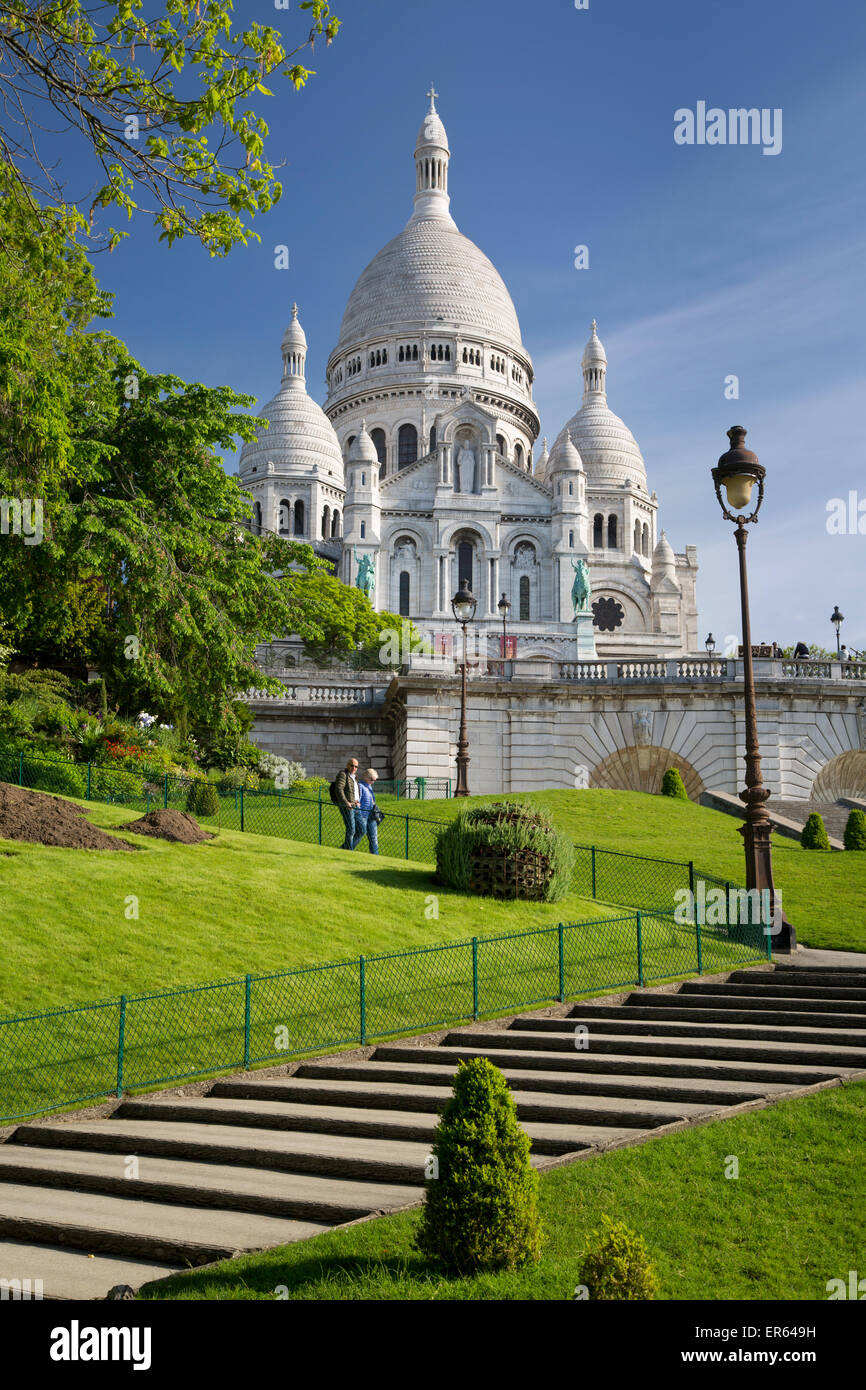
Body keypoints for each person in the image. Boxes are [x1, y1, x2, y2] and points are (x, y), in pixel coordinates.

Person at [334, 758, 363, 850]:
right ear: (347, 765)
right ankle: (349, 851)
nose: (354, 768)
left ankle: (345, 848)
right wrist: (346, 802)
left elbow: (354, 792)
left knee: (362, 830)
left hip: (356, 806)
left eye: (356, 766)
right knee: (351, 830)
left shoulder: (355, 778)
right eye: (352, 765)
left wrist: (357, 801)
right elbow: (339, 789)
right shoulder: (343, 774)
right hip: (348, 806)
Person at [357, 768, 382, 854]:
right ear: (366, 778)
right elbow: (358, 800)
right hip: (363, 814)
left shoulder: (369, 787)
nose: (373, 782)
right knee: (359, 834)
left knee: (373, 837)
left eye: (375, 780)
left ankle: (375, 855)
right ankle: (348, 848)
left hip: (371, 814)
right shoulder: (360, 786)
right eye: (372, 780)